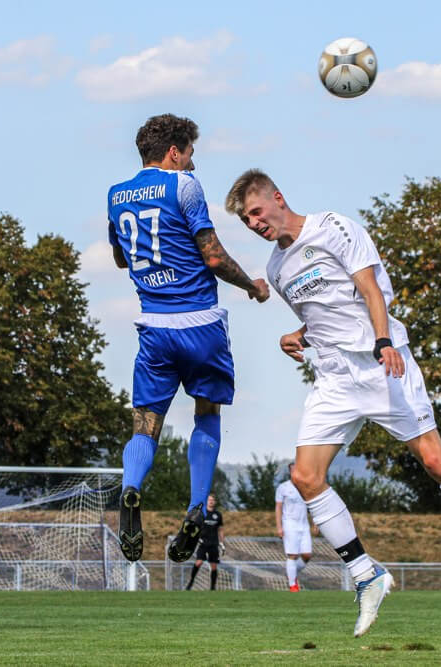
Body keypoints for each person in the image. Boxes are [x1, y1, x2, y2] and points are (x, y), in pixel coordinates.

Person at [225, 169, 441, 636]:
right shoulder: (276, 269)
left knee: (436, 463)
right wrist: (298, 335)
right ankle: (367, 575)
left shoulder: (336, 227)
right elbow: (328, 313)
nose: (253, 224)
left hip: (381, 362)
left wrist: (384, 341)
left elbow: (368, 290)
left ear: (277, 198)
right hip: (334, 376)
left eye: (255, 213)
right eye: (246, 221)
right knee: (305, 477)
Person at [108, 114, 269, 565]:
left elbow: (122, 259)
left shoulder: (116, 195)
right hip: (200, 325)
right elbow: (213, 256)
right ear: (174, 151)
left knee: (145, 425)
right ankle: (197, 505)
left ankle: (131, 488)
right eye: (191, 153)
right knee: (206, 415)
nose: (194, 163)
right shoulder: (184, 186)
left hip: (154, 331)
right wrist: (253, 286)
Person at [276, 463, 316, 591]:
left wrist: (315, 522)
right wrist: (279, 527)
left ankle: (291, 572)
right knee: (292, 555)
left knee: (307, 555)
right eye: (293, 471)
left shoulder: (306, 487)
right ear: (290, 472)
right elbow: (278, 507)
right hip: (289, 524)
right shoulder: (283, 487)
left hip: (304, 525)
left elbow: (312, 506)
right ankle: (293, 585)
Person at [185, 493, 224, 590]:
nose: (211, 502)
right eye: (209, 500)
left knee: (214, 566)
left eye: (212, 500)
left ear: (215, 502)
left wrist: (222, 543)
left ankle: (212, 587)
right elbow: (195, 526)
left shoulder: (217, 515)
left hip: (213, 543)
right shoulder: (202, 514)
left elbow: (221, 529)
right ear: (206, 501)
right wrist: (196, 538)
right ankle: (191, 581)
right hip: (203, 543)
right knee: (198, 562)